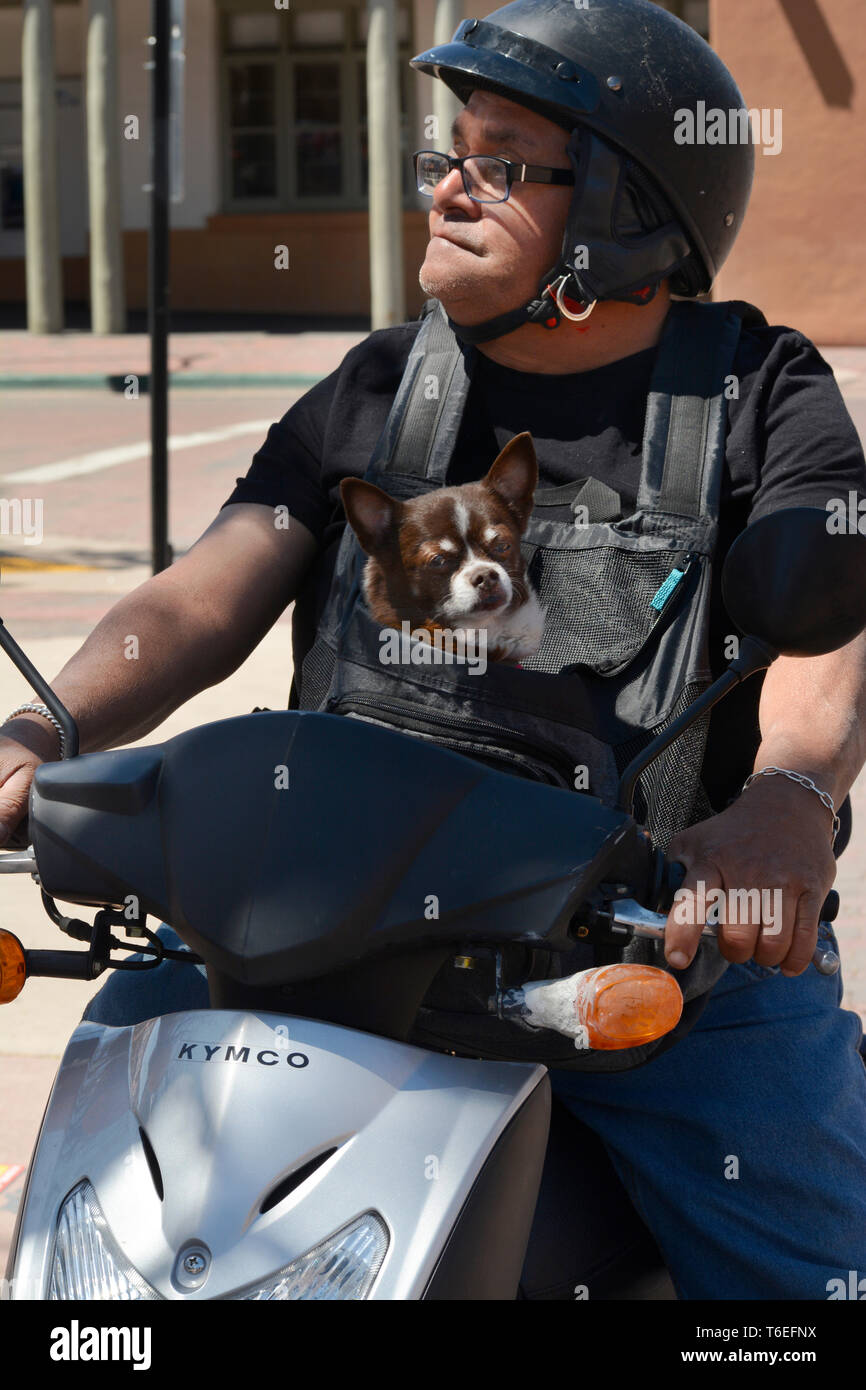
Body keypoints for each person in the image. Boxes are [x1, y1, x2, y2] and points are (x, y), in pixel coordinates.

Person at [2, 0, 866, 1298]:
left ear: (625, 204)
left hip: (642, 955)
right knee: (71, 1231)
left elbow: (828, 624)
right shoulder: (376, 384)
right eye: (448, 154)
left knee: (807, 1265)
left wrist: (787, 802)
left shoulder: (755, 388)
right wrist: (42, 730)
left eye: (501, 160)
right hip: (315, 924)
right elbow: (196, 600)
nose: (449, 187)